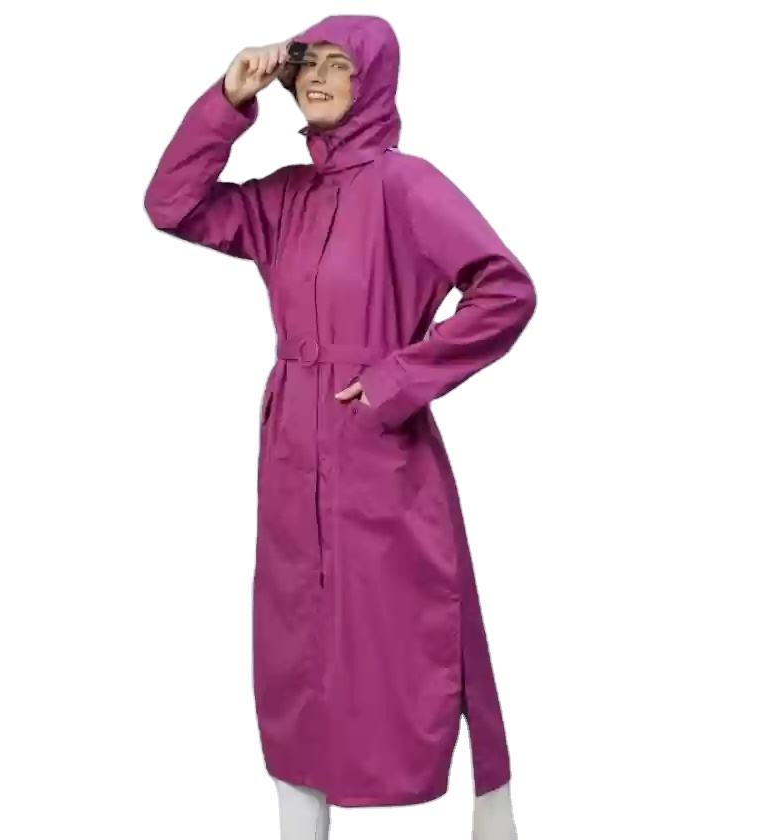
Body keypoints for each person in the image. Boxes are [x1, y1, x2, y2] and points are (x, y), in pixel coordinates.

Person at [144, 14, 536, 840]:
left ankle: (484, 816)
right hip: (291, 440)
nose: (317, 78)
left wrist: (399, 377)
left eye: (338, 65)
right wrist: (227, 102)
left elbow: (506, 290)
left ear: (373, 80)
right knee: (295, 641)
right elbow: (171, 205)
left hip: (377, 442)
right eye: (306, 66)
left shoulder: (406, 185)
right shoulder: (283, 197)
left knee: (404, 632)